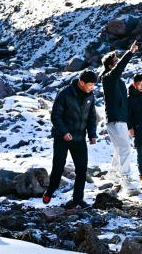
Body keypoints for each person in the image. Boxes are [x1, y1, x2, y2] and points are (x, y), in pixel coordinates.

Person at [43, 69, 99, 208]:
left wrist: (92, 134)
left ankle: (77, 200)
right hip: (62, 138)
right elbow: (55, 116)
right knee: (58, 167)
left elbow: (92, 117)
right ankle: (50, 190)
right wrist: (64, 132)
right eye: (90, 85)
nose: (92, 88)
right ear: (81, 82)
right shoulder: (65, 94)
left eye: (93, 85)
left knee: (82, 170)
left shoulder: (90, 96)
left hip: (79, 139)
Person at [101, 39, 140, 195]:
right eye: (115, 62)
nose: (118, 64)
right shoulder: (108, 78)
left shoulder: (118, 81)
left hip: (121, 119)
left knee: (120, 148)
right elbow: (119, 68)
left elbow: (125, 104)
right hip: (115, 119)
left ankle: (113, 173)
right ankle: (126, 178)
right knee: (125, 148)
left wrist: (129, 124)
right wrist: (130, 53)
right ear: (111, 66)